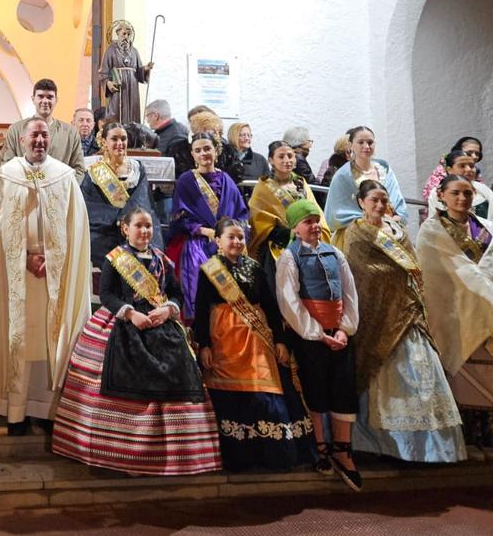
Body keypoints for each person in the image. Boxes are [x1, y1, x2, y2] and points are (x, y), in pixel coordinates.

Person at [52, 206, 221, 475]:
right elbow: (106, 294)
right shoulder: (115, 259)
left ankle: (177, 455)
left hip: (161, 326)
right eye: (139, 226)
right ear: (125, 229)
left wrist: (168, 310)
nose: (144, 231)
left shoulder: (163, 260)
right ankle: (122, 454)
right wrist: (130, 314)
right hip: (123, 326)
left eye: (149, 226)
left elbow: (176, 294)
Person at [0, 119, 91, 434]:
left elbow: (77, 229)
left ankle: (47, 411)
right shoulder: (6, 178)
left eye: (44, 135)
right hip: (14, 275)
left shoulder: (65, 177)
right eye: (34, 135)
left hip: (53, 275)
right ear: (22, 140)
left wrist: (53, 257)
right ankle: (15, 411)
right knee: (17, 341)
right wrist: (24, 258)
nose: (39, 140)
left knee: (50, 344)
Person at [418, 175, 493, 461]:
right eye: (455, 193)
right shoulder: (431, 231)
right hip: (459, 315)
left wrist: (487, 292)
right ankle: (470, 440)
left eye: (467, 193)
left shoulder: (486, 228)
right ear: (442, 195)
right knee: (465, 379)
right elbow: (435, 274)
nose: (462, 199)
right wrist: (476, 288)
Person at [342, 180, 465, 463]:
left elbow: (412, 265)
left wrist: (405, 287)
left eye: (384, 199)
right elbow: (362, 274)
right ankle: (384, 446)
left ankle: (430, 449)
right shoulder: (357, 233)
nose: (380, 205)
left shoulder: (396, 229)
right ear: (361, 202)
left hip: (408, 311)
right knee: (387, 377)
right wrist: (392, 281)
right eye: (373, 199)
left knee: (422, 371)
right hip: (380, 314)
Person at [194, 218, 312, 471]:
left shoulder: (256, 267)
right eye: (231, 237)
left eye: (240, 237)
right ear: (218, 241)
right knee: (229, 394)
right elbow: (201, 309)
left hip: (257, 341)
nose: (236, 242)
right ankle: (236, 457)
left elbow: (271, 306)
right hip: (223, 341)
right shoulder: (208, 270)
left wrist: (280, 341)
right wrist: (204, 344)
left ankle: (271, 455)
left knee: (265, 392)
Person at [275, 199, 362, 491]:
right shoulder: (290, 257)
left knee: (343, 389)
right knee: (315, 390)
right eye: (307, 222)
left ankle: (343, 449)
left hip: (338, 334)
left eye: (316, 220)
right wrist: (315, 333)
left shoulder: (335, 253)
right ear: (296, 229)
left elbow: (349, 293)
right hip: (311, 336)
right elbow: (289, 300)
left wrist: (345, 330)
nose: (313, 226)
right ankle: (320, 446)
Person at [168, 131, 248, 321]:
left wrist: (230, 235)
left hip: (226, 244)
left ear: (216, 151)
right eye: (198, 150)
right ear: (193, 155)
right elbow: (180, 218)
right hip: (197, 243)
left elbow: (241, 214)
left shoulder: (227, 181)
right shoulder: (186, 181)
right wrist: (204, 231)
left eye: (207, 148)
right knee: (198, 282)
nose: (203, 153)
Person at [81, 120, 159, 263]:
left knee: (151, 242)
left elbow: (142, 199)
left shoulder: (137, 169)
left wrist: (128, 221)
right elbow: (88, 205)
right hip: (105, 229)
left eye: (123, 139)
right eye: (114, 139)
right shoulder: (94, 173)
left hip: (135, 226)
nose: (120, 143)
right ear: (104, 142)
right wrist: (117, 219)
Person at [247, 141, 328, 273]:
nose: (287, 160)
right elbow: (260, 223)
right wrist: (290, 234)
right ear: (271, 160)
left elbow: (316, 212)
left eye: (290, 156)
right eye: (281, 156)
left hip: (309, 241)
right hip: (279, 245)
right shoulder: (263, 187)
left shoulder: (301, 182)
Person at [324, 125, 408, 247]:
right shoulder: (343, 176)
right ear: (351, 145)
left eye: (370, 142)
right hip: (355, 235)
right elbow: (337, 212)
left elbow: (396, 201)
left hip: (388, 230)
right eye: (361, 142)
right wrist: (370, 221)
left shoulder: (384, 170)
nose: (366, 146)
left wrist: (395, 219)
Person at [0, 78, 86, 178]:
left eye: (49, 97)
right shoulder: (15, 130)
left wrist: (65, 189)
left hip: (59, 191)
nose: (45, 101)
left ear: (56, 100)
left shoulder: (71, 133)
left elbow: (79, 168)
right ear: (33, 99)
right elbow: (7, 164)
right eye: (40, 96)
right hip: (24, 189)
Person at [97, 19, 153, 125]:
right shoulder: (110, 50)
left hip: (132, 88)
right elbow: (103, 72)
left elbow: (139, 71)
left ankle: (133, 134)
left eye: (128, 34)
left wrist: (145, 69)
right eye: (124, 33)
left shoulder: (134, 51)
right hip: (118, 89)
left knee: (133, 111)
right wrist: (108, 83)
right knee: (117, 112)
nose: (126, 36)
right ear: (118, 33)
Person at [427, 150, 493, 225]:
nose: (469, 169)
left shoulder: (483, 189)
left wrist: (489, 233)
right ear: (449, 170)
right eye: (462, 166)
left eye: (472, 166)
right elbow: (434, 221)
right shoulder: (438, 192)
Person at [422, 136, 486, 202]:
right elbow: (433, 199)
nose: (474, 156)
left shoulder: (475, 172)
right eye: (469, 153)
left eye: (477, 154)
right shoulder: (441, 173)